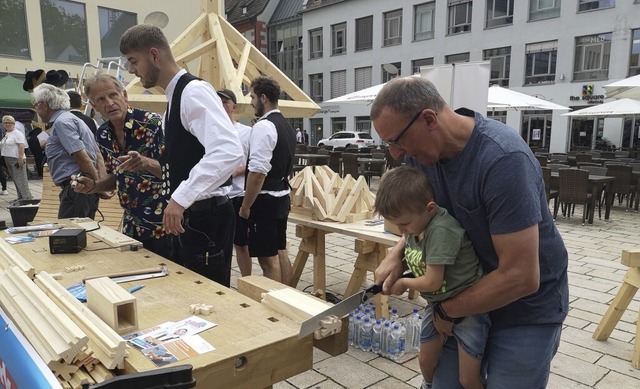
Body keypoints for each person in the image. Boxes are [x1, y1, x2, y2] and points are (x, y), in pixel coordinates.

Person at [370, 77, 568, 388]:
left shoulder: (502, 159)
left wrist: (448, 311)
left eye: (396, 140)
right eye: (388, 144)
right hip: (463, 297)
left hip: (524, 310)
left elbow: (521, 276)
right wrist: (398, 254)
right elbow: (425, 218)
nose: (395, 154)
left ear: (429, 119)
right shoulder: (420, 156)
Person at [119, 24, 242, 287]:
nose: (131, 70)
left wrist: (179, 198)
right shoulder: (175, 96)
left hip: (205, 217)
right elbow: (179, 163)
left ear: (154, 55)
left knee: (209, 296)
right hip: (196, 217)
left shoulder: (193, 91)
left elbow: (229, 150)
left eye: (133, 61)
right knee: (193, 294)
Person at [375, 166, 489, 389]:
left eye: (404, 224)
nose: (402, 231)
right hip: (438, 302)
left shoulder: (441, 230)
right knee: (425, 360)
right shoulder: (415, 226)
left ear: (430, 209)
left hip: (470, 306)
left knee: (467, 379)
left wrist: (403, 284)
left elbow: (432, 281)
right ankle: (427, 385)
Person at [73, 73, 171, 259]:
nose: (109, 103)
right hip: (131, 224)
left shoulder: (153, 123)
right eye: (101, 99)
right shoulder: (103, 134)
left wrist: (146, 163)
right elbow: (116, 178)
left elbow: (175, 173)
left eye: (113, 95)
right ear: (94, 106)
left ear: (124, 96)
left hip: (163, 224)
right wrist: (94, 187)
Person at [239, 76, 295, 284]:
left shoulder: (264, 126)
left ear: (263, 98)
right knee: (281, 251)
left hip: (265, 201)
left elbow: (257, 172)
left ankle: (276, 308)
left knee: (267, 260)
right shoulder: (286, 125)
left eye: (253, 97)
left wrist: (246, 206)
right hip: (281, 196)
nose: (251, 102)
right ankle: (288, 298)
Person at [32, 83, 101, 218]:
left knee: (68, 235)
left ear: (45, 105)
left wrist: (96, 186)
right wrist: (98, 186)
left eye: (36, 105)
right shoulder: (73, 120)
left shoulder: (62, 123)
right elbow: (98, 155)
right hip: (82, 188)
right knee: (81, 234)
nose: (35, 109)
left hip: (77, 188)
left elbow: (83, 158)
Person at [217, 88, 253, 276]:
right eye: (217, 102)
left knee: (241, 244)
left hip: (238, 194)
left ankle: (246, 280)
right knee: (219, 245)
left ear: (234, 106)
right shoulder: (210, 132)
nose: (221, 106)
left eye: (225, 102)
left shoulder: (246, 132)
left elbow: (256, 164)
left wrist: (236, 171)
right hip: (217, 197)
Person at [0, 116, 33, 201]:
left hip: (16, 158)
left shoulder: (17, 133)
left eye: (9, 123)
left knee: (21, 179)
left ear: (13, 124)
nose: (7, 124)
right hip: (8, 158)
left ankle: (27, 197)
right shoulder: (7, 133)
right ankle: (20, 197)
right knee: (15, 178)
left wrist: (20, 158)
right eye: (5, 123)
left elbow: (21, 145)